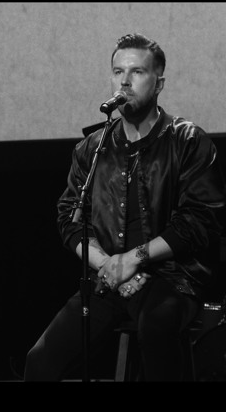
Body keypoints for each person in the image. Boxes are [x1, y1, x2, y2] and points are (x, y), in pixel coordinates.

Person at [24, 33, 226, 381]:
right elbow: (69, 216)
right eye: (118, 71)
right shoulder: (93, 148)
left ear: (158, 83)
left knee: (156, 329)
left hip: (173, 277)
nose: (125, 81)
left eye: (137, 72)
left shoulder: (187, 140)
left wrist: (134, 259)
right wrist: (109, 266)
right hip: (109, 278)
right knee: (40, 361)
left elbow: (200, 220)